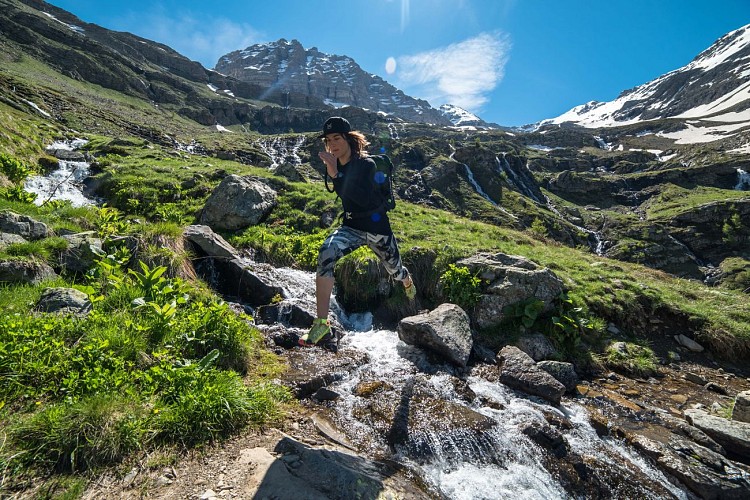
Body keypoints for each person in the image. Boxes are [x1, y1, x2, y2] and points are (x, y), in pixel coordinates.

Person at [299, 116, 416, 349]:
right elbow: (345, 196)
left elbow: (361, 200)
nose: (332, 144)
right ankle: (322, 322)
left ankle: (407, 280)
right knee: (326, 252)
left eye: (337, 138)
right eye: (328, 140)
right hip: (351, 227)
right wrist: (335, 172)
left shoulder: (367, 165)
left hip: (377, 230)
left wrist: (334, 174)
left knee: (395, 270)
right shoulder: (337, 165)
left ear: (349, 140)